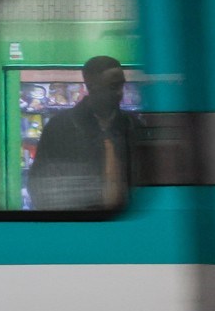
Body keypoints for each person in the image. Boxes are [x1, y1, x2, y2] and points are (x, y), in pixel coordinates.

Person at [29, 55, 143, 211]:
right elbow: (39, 185)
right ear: (91, 86)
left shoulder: (133, 126)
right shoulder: (60, 128)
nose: (119, 93)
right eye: (112, 86)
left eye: (121, 86)